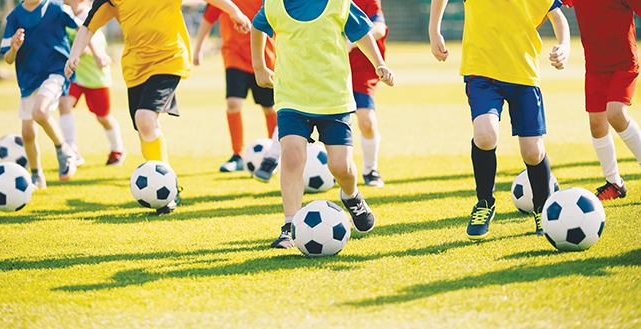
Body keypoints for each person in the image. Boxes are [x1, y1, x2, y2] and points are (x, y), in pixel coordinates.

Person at [65, 0, 251, 214]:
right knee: (144, 127)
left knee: (144, 118)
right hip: (135, 69)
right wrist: (74, 54)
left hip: (169, 58)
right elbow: (88, 26)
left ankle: (168, 188)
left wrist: (234, 11)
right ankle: (165, 179)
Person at [251, 0, 395, 248]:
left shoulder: (339, 3)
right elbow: (257, 27)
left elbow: (362, 33)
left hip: (333, 99)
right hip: (292, 97)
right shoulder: (274, 5)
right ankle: (289, 226)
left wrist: (379, 63)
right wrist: (259, 67)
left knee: (341, 168)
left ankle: (351, 196)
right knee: (293, 157)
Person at [429, 0, 570, 240]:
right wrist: (434, 32)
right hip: (481, 70)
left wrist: (564, 45)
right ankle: (484, 203)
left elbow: (557, 16)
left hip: (524, 73)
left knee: (533, 152)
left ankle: (543, 208)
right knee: (485, 135)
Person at [564, 0, 641, 201]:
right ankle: (615, 183)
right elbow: (549, 5)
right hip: (595, 68)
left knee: (616, 114)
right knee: (597, 125)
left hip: (624, 64)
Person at [0, 0, 80, 190]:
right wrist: (14, 47)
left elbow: (83, 29)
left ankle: (64, 151)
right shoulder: (14, 17)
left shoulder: (57, 8)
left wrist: (83, 52)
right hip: (28, 79)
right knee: (27, 133)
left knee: (40, 111)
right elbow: (8, 59)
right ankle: (37, 176)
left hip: (56, 71)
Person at [193, 2, 277, 173]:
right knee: (233, 103)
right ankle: (238, 155)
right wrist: (198, 50)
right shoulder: (226, 2)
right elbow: (208, 17)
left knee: (269, 107)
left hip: (265, 57)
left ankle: (276, 153)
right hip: (235, 56)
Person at [59, 0, 127, 167]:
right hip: (75, 74)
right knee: (64, 104)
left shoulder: (88, 15)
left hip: (96, 76)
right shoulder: (64, 12)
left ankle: (117, 148)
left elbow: (87, 48)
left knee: (103, 116)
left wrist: (66, 56)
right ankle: (72, 150)